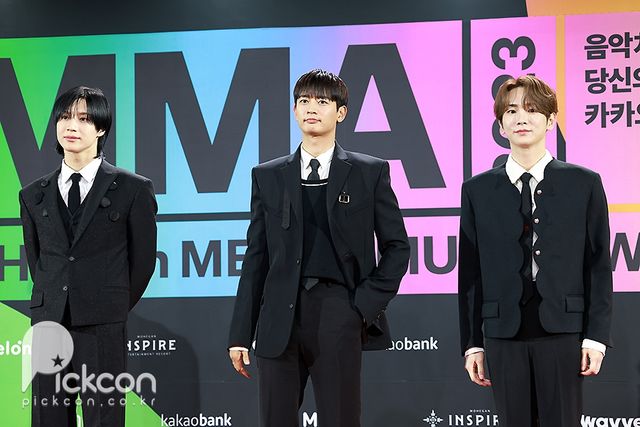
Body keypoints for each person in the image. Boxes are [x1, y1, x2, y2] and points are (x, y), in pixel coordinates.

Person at [228, 69, 410, 427]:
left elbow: (397, 246)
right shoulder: (267, 175)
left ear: (340, 113)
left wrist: (362, 306)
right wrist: (240, 333)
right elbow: (256, 258)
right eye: (304, 101)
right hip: (278, 318)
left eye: (322, 101)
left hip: (339, 313)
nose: (311, 108)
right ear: (295, 110)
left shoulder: (369, 172)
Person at [458, 75, 613, 426]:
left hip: (564, 331)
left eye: (531, 109)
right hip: (502, 333)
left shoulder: (585, 183)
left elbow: (598, 266)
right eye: (511, 111)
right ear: (501, 125)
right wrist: (473, 343)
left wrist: (596, 338)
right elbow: (470, 274)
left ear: (550, 119)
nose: (521, 118)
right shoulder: (476, 190)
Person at [19, 86, 158, 427]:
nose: (72, 126)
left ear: (101, 128)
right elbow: (38, 261)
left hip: (103, 323)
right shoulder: (32, 195)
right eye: (65, 117)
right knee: (48, 417)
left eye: (83, 119)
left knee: (104, 417)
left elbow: (143, 263)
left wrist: (111, 303)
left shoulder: (133, 189)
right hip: (49, 323)